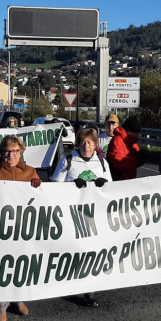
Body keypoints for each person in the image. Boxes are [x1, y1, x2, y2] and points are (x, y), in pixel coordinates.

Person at [0, 135, 42, 321]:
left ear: (21, 152)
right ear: (1, 152)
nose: (11, 155)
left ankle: (18, 298)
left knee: (20, 264)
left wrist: (38, 186)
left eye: (15, 151)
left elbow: (43, 199)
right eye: (7, 151)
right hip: (0, 227)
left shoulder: (31, 171)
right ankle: (1, 306)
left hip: (23, 227)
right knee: (2, 265)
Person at [51, 127, 112, 307]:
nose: (86, 146)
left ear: (95, 145)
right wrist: (71, 187)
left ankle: (89, 290)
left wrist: (102, 185)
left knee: (92, 251)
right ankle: (67, 280)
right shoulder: (68, 161)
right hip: (72, 214)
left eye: (90, 142)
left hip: (94, 215)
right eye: (83, 142)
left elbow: (111, 188)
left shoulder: (102, 163)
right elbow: (54, 186)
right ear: (79, 144)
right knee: (73, 250)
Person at [106, 116, 143, 180]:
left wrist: (140, 158)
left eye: (136, 133)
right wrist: (136, 160)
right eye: (133, 132)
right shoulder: (117, 140)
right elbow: (118, 163)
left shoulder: (133, 143)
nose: (135, 135)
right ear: (127, 130)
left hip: (129, 179)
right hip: (117, 179)